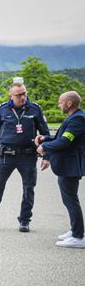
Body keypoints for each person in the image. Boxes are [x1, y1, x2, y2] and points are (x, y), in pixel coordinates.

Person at [0, 81, 49, 232]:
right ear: (11, 96)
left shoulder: (35, 109)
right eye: (19, 95)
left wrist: (47, 156)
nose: (23, 97)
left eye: (24, 94)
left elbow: (45, 134)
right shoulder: (3, 109)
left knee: (28, 188)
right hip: (6, 156)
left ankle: (25, 221)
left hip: (27, 156)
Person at [36, 91, 85, 248]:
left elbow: (65, 142)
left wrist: (45, 146)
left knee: (71, 200)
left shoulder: (78, 119)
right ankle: (75, 230)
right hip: (67, 166)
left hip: (70, 166)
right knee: (69, 199)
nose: (59, 105)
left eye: (60, 102)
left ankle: (78, 236)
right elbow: (62, 138)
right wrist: (46, 138)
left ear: (69, 103)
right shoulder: (74, 118)